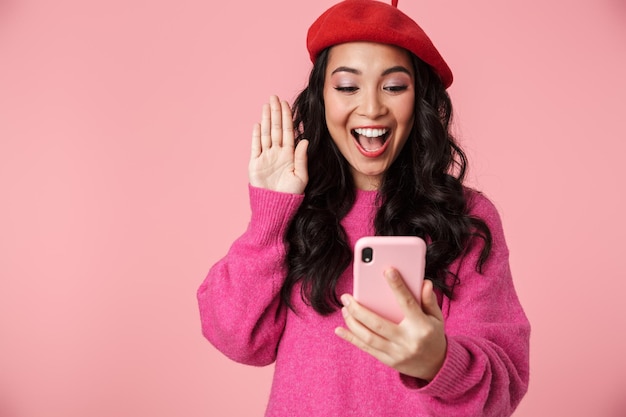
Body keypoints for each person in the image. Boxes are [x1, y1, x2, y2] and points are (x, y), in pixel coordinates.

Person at [197, 0, 530, 415]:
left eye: (393, 86)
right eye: (347, 86)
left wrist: (438, 362)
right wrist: (270, 216)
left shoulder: (466, 218)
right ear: (321, 98)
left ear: (420, 99)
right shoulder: (297, 211)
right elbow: (236, 338)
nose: (372, 108)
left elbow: (503, 388)